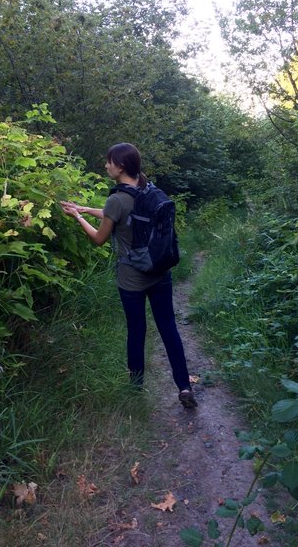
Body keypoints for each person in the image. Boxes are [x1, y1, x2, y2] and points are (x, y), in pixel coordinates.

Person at [60, 142, 197, 409]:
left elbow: (100, 237)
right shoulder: (149, 188)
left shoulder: (116, 199)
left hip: (132, 279)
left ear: (120, 166)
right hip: (160, 273)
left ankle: (135, 390)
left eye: (109, 161)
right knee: (169, 329)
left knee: (136, 331)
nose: (106, 165)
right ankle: (184, 386)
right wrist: (87, 209)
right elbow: (123, 216)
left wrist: (77, 217)